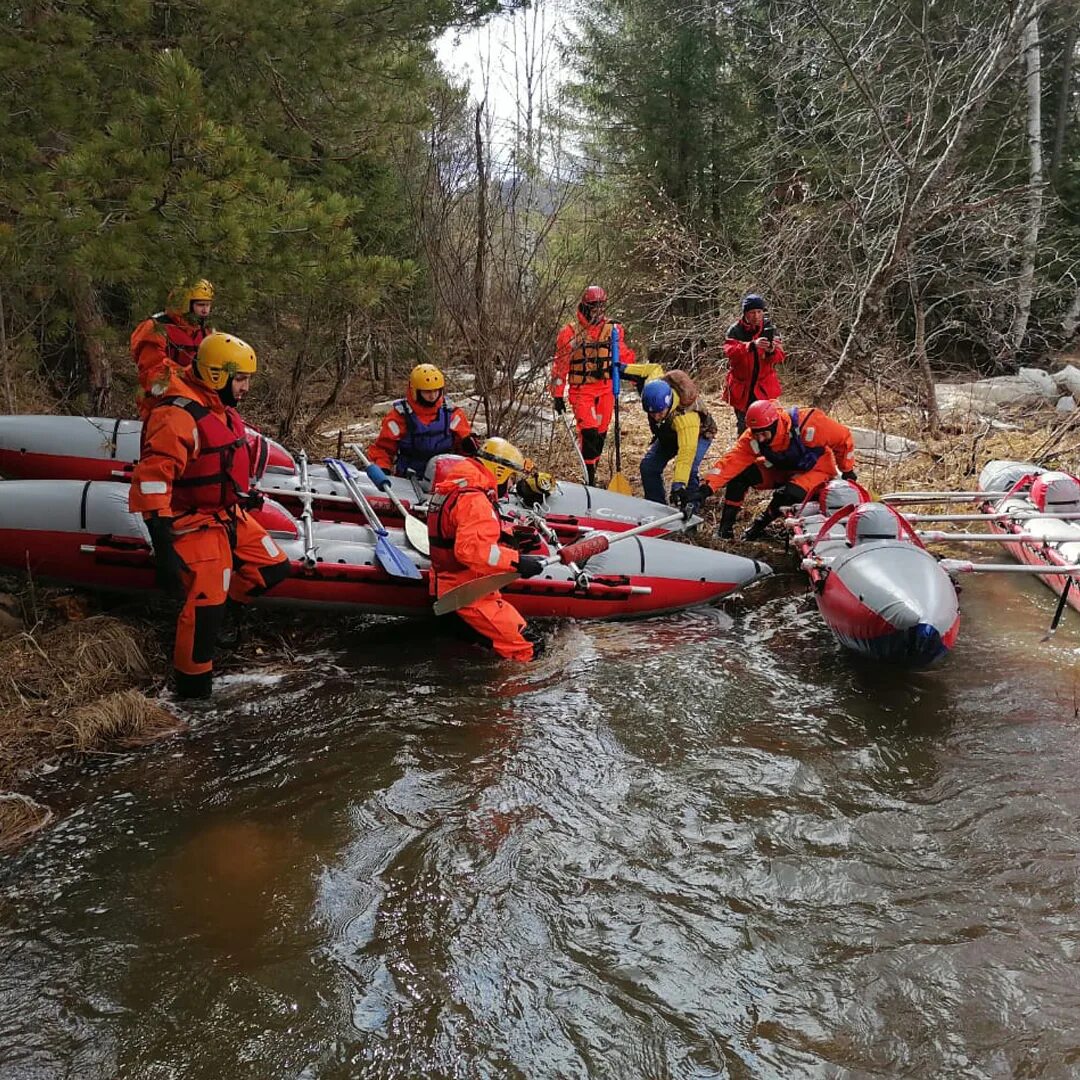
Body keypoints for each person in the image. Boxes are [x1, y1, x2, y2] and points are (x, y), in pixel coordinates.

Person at [129, 333, 291, 699]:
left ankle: (221, 613)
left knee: (273, 568)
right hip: (192, 521)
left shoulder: (215, 405)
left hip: (226, 513)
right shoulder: (176, 416)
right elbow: (154, 481)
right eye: (242, 379)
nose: (247, 387)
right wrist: (163, 544)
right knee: (204, 609)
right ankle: (192, 692)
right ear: (218, 376)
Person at [427, 438, 545, 661]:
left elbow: (465, 535)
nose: (510, 486)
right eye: (510, 478)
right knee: (527, 647)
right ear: (498, 472)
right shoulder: (475, 500)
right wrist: (517, 562)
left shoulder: (459, 487)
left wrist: (507, 538)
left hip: (454, 587)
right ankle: (514, 693)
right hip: (467, 594)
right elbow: (471, 550)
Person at [698, 398, 857, 540]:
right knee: (740, 476)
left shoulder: (810, 423)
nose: (760, 439)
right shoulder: (753, 438)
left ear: (774, 425)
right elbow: (731, 462)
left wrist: (847, 469)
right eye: (756, 434)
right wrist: (707, 487)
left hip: (816, 470)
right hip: (781, 468)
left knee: (788, 494)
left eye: (764, 434)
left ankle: (759, 526)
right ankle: (724, 530)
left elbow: (843, 439)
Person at [549, 285, 636, 485]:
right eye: (594, 308)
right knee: (588, 433)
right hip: (582, 391)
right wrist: (557, 394)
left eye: (601, 307)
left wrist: (637, 379)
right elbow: (560, 366)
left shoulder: (613, 330)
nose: (598, 312)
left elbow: (623, 356)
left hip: (606, 390)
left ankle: (592, 470)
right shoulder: (569, 333)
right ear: (585, 307)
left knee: (600, 435)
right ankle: (590, 479)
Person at [622, 363, 716, 508]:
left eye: (660, 412)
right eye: (652, 414)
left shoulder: (686, 418)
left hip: (699, 435)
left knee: (689, 471)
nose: (656, 417)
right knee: (649, 467)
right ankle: (657, 508)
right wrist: (622, 369)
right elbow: (652, 369)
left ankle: (690, 512)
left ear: (669, 403)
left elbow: (686, 453)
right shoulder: (654, 384)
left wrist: (678, 485)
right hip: (669, 434)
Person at [367, 363, 478, 478]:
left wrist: (468, 447)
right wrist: (383, 468)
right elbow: (383, 449)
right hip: (410, 480)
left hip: (445, 477)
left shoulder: (452, 414)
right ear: (415, 391)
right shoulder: (399, 417)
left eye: (436, 391)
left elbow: (464, 447)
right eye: (427, 392)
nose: (433, 396)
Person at [131, 279, 215, 419]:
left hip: (198, 400)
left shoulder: (206, 331)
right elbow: (153, 372)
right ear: (184, 305)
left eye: (208, 305)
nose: (205, 310)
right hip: (163, 400)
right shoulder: (156, 327)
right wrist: (190, 377)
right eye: (201, 305)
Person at [723, 293, 785, 433]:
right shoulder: (735, 330)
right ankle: (745, 453)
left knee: (769, 426)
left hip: (764, 387)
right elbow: (731, 352)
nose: (756, 316)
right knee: (744, 427)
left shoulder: (770, 328)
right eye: (752, 312)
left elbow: (780, 356)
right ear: (745, 313)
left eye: (759, 312)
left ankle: (767, 454)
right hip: (742, 388)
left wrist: (770, 350)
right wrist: (751, 346)